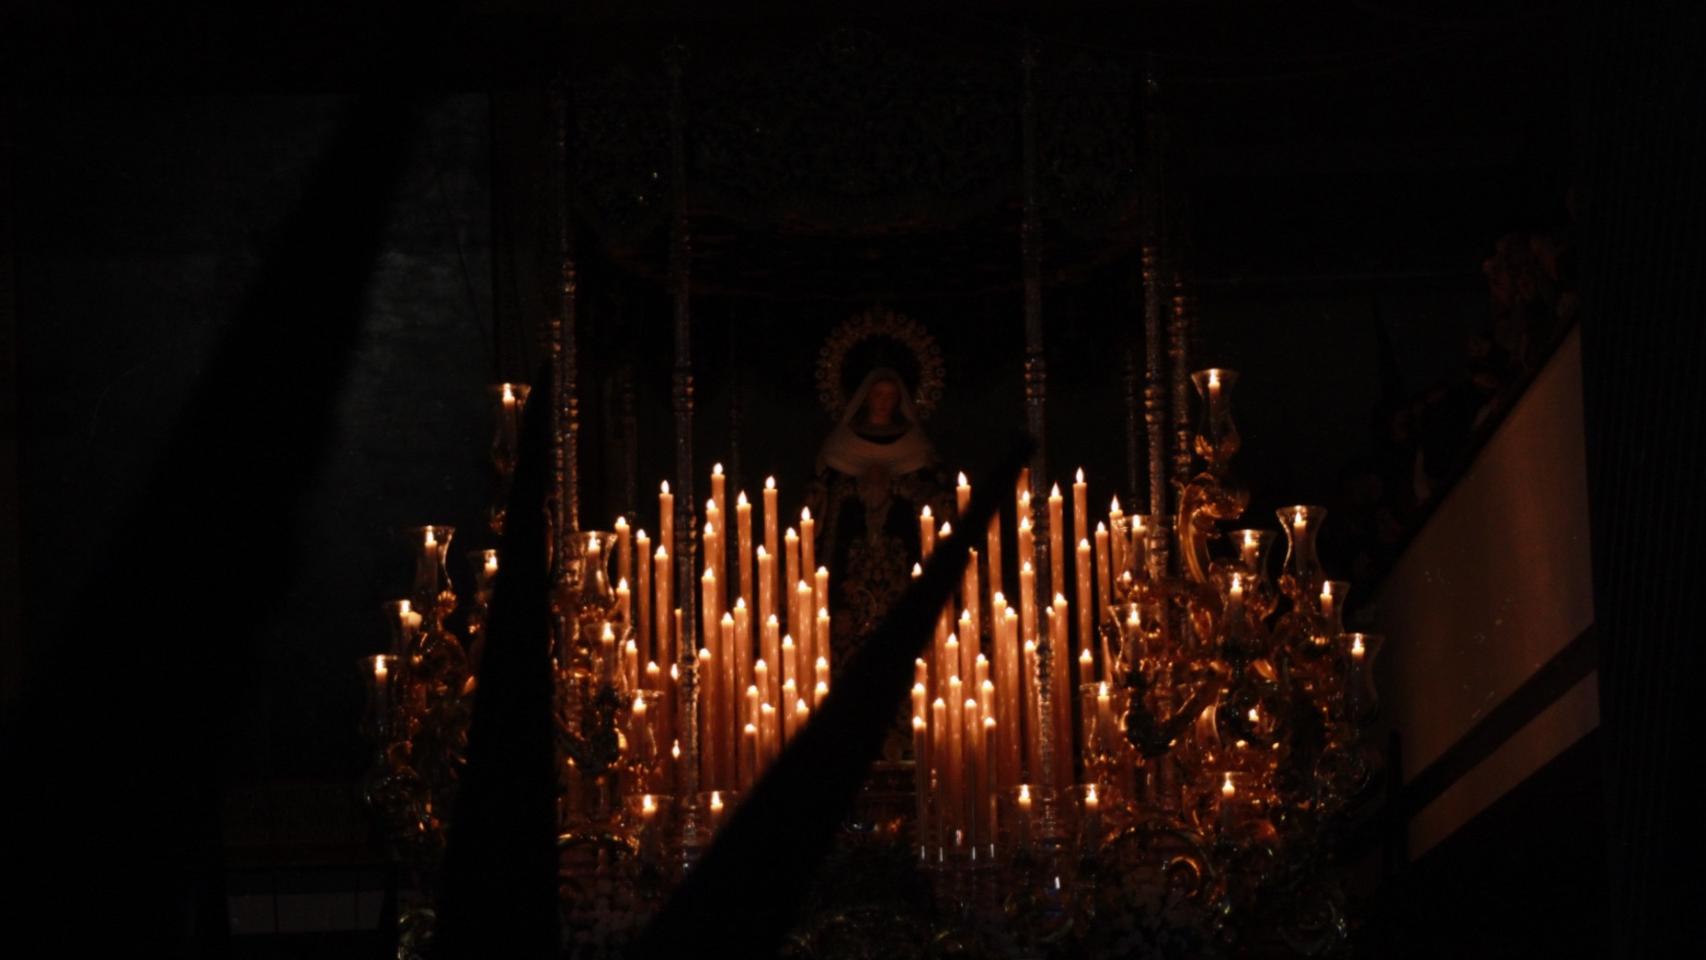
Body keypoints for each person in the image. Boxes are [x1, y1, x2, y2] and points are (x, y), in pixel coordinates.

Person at [805, 368, 953, 675]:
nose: (884, 401)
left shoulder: (915, 444)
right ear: (865, 397)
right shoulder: (842, 444)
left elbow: (935, 485)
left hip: (905, 551)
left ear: (900, 399)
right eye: (878, 394)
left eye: (890, 395)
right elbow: (821, 488)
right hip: (848, 554)